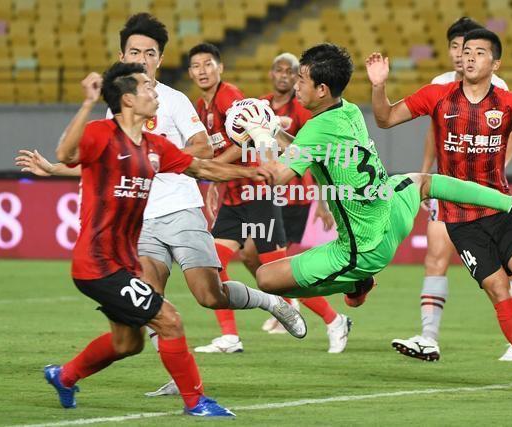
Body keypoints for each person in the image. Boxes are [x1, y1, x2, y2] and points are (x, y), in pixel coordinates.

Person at [17, 14, 305, 399]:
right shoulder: (117, 107)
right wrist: (55, 168)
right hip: (140, 221)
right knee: (151, 303)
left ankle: (272, 302)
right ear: (123, 55)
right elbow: (100, 160)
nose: (142, 58)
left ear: (160, 58)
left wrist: (155, 159)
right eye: (134, 51)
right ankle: (179, 375)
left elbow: (201, 151)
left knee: (209, 294)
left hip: (181, 208)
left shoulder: (170, 99)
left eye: (149, 53)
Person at [231, 43, 512, 327]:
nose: (297, 86)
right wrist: (273, 131)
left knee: (265, 278)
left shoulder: (316, 130)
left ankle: (355, 283)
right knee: (424, 181)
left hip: (363, 246)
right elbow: (308, 148)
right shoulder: (349, 111)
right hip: (391, 206)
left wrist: (259, 135)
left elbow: (279, 177)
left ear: (322, 89)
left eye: (302, 80)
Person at [366, 29, 512, 396]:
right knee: (498, 290)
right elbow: (385, 120)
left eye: (479, 52)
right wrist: (379, 86)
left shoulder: (509, 103)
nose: (469, 57)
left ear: (495, 63)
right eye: (465, 51)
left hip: (499, 208)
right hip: (459, 219)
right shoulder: (437, 96)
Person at [390, 17, 512, 363]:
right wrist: (424, 178)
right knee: (435, 257)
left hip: (486, 193)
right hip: (446, 188)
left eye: (467, 48)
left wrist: (494, 179)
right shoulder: (439, 86)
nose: (460, 55)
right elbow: (431, 134)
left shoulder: (496, 86)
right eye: (455, 47)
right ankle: (428, 337)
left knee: (505, 271)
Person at [186, 43, 301, 355]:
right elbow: (214, 150)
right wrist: (214, 178)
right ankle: (230, 336)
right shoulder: (202, 106)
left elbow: (248, 134)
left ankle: (334, 320)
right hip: (235, 196)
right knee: (213, 262)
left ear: (220, 68)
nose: (202, 71)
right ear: (189, 72)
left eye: (208, 64)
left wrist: (215, 169)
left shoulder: (228, 96)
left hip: (256, 190)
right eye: (196, 66)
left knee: (277, 270)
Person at [235, 52, 352, 353]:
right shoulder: (259, 106)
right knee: (251, 255)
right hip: (264, 195)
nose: (287, 77)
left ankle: (331, 318)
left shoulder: (305, 111)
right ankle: (290, 303)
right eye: (281, 70)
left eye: (295, 73)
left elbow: (310, 156)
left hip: (293, 197)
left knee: (276, 266)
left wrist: (322, 203)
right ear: (272, 74)